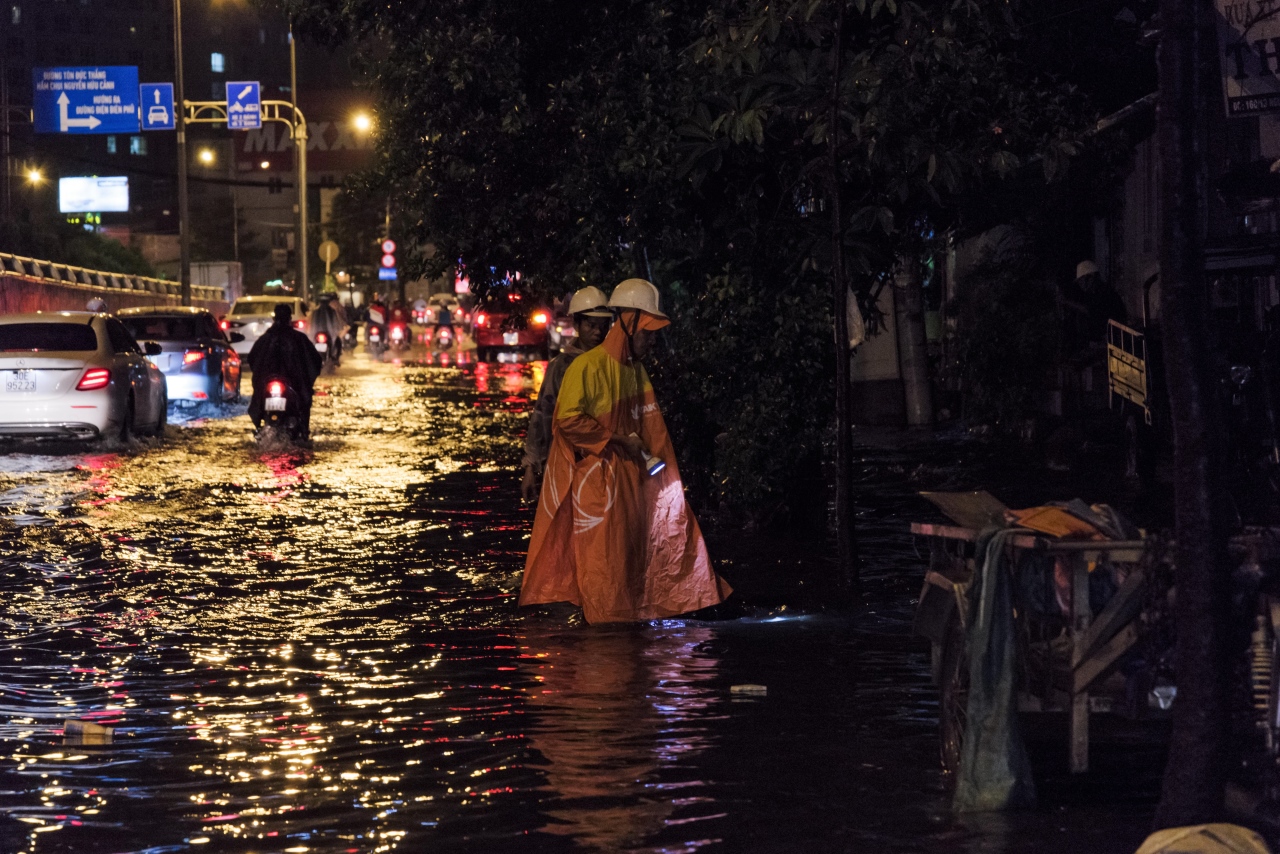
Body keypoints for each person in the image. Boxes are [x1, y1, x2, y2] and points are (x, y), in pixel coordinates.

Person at [520, 278, 732, 623]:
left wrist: (662, 481)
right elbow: (563, 421)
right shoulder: (582, 368)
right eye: (647, 333)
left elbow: (651, 432)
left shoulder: (635, 370)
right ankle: (605, 634)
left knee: (628, 566)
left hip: (631, 487)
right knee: (605, 570)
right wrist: (617, 440)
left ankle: (630, 621)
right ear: (629, 323)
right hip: (597, 492)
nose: (652, 341)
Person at [521, 286, 614, 502]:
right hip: (567, 464)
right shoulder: (561, 367)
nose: (598, 332)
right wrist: (530, 467)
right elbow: (543, 415)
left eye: (603, 326)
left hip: (606, 463)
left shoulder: (614, 364)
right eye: (591, 326)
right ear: (578, 325)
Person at [247, 303, 323, 438]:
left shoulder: (265, 339)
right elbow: (315, 361)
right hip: (292, 385)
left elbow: (253, 360)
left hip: (274, 384)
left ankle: (260, 428)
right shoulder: (299, 339)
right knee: (303, 405)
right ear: (290, 318)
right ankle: (303, 432)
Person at [310, 293, 345, 363]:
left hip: (317, 333)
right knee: (338, 342)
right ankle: (336, 359)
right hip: (328, 333)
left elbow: (311, 323)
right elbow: (336, 322)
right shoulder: (332, 311)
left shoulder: (315, 311)